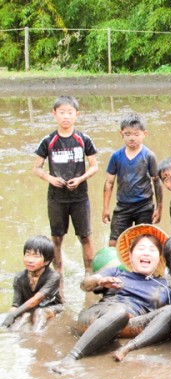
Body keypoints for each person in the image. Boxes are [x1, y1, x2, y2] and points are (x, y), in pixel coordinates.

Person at [52, 225, 171, 373]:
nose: (146, 253)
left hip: (133, 325)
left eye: (152, 250)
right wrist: (99, 281)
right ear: (130, 255)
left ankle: (130, 347)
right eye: (141, 248)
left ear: (160, 257)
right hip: (99, 317)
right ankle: (71, 358)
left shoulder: (165, 284)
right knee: (119, 312)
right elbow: (84, 285)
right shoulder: (116, 271)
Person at [33, 95, 99, 276]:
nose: (66, 116)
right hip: (56, 198)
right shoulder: (48, 141)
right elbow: (36, 168)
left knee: (85, 236)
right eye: (62, 112)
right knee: (57, 237)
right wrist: (50, 178)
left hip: (80, 197)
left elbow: (94, 166)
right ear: (54, 114)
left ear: (77, 114)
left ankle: (88, 273)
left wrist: (80, 179)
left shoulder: (83, 139)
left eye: (70, 112)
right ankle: (58, 274)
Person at [102, 113, 162, 247]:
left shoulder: (149, 156)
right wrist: (105, 208)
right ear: (121, 134)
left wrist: (159, 208)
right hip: (123, 206)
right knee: (114, 242)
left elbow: (157, 182)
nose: (132, 138)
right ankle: (117, 267)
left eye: (136, 134)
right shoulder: (116, 156)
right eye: (128, 134)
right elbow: (109, 183)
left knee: (145, 241)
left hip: (144, 205)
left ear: (144, 134)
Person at [1, 236, 63, 332]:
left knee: (39, 313)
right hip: (29, 308)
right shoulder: (19, 278)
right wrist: (10, 317)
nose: (30, 260)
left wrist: (14, 315)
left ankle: (36, 339)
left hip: (52, 307)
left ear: (46, 261)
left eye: (36, 256)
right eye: (27, 255)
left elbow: (36, 300)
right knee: (18, 323)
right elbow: (16, 305)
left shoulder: (53, 277)